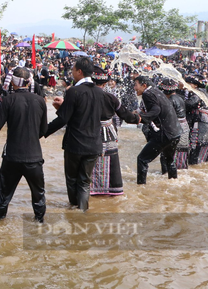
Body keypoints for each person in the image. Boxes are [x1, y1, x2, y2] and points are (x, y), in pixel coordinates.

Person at [0, 67, 48, 221]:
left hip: (12, 157)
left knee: (3, 196)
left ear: (13, 82)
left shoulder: (9, 101)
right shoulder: (40, 101)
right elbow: (44, 130)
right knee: (38, 196)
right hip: (34, 157)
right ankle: (39, 225)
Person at [44, 57, 105, 211]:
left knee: (72, 179)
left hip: (75, 144)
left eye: (72, 70)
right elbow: (99, 115)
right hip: (94, 145)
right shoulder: (100, 92)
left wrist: (42, 131)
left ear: (79, 72)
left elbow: (63, 119)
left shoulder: (74, 91)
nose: (71, 73)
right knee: (85, 181)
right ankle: (83, 212)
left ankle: (73, 208)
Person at [90, 67, 140, 196]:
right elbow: (125, 115)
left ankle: (92, 189)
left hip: (90, 131)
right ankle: (111, 190)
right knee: (110, 158)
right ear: (105, 83)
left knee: (91, 159)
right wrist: (139, 118)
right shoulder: (111, 97)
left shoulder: (85, 95)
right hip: (108, 132)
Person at [134, 76, 183, 185]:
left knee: (142, 159)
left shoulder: (147, 94)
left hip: (164, 134)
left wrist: (141, 117)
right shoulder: (156, 91)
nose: (134, 88)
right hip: (176, 133)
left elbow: (156, 110)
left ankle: (141, 188)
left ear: (144, 85)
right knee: (169, 160)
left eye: (136, 85)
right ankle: (174, 183)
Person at [158, 78, 190, 172]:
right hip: (184, 128)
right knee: (181, 157)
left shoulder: (169, 101)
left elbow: (165, 117)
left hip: (175, 129)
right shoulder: (180, 98)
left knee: (166, 156)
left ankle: (167, 177)